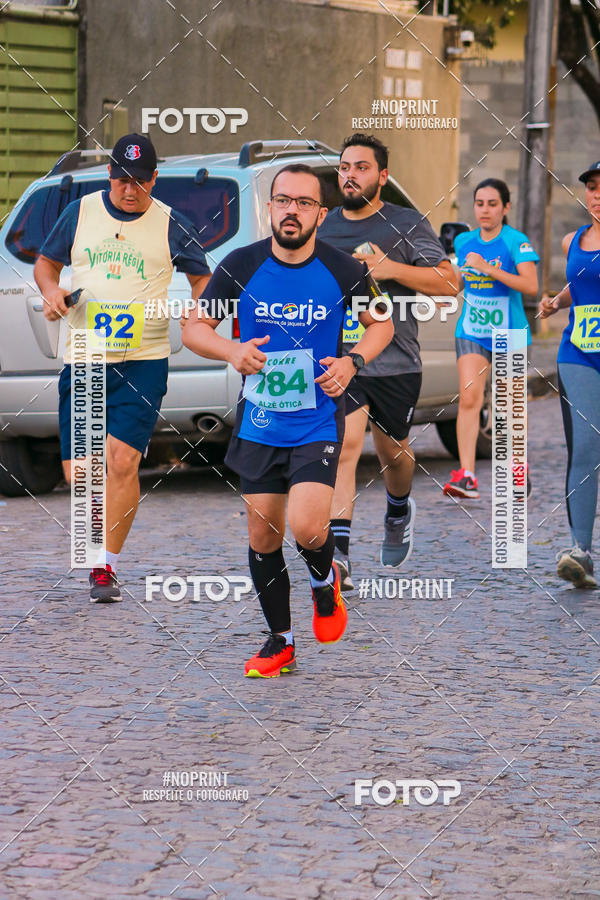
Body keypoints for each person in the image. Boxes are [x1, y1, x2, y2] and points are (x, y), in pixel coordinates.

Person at [182, 164, 393, 677]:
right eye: (283, 201)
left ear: (321, 213)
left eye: (303, 203)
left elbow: (381, 324)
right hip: (259, 423)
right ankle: (281, 640)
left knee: (306, 525)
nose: (291, 211)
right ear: (270, 208)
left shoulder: (345, 269)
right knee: (263, 536)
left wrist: (352, 362)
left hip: (316, 419)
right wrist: (232, 351)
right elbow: (194, 329)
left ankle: (324, 585)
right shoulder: (239, 265)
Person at [34, 133, 210, 602]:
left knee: (124, 461)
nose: (128, 189)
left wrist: (198, 311)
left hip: (144, 359)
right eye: (120, 179)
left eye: (139, 181)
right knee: (80, 475)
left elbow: (203, 277)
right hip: (86, 354)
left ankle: (104, 566)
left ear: (154, 180)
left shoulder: (172, 223)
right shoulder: (81, 212)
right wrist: (52, 293)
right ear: (109, 175)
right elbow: (46, 265)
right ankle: (95, 549)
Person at [317, 133, 458, 585]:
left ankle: (398, 508)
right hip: (343, 360)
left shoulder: (406, 223)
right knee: (344, 449)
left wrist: (390, 268)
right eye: (344, 167)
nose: (350, 175)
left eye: (361, 167)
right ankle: (339, 556)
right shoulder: (325, 227)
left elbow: (449, 281)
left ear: (383, 175)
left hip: (398, 361)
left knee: (392, 454)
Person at [443, 178, 539, 500]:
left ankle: (517, 468)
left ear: (506, 207)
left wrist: (488, 268)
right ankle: (467, 475)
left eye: (492, 204)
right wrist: (446, 290)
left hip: (509, 332)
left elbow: (530, 286)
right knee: (470, 397)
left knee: (510, 404)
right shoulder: (464, 241)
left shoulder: (516, 241)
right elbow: (459, 281)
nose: (485, 210)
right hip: (472, 328)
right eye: (480, 203)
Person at [539, 161, 600, 588]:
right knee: (585, 447)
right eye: (592, 188)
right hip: (578, 352)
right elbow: (581, 283)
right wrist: (557, 303)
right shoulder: (572, 240)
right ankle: (580, 551)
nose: (596, 194)